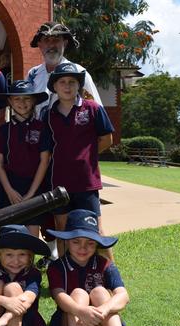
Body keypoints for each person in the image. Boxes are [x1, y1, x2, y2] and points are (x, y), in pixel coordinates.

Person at [40, 63, 114, 259]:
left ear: (79, 85)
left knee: (94, 230)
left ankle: (111, 275)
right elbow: (46, 152)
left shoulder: (93, 109)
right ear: (54, 86)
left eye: (72, 82)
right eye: (62, 82)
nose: (67, 86)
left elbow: (107, 139)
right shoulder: (48, 115)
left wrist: (86, 156)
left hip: (86, 182)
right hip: (59, 184)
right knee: (63, 230)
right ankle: (66, 273)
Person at [46, 209, 133, 326]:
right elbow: (58, 295)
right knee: (79, 293)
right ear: (67, 240)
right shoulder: (57, 267)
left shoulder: (105, 264)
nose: (83, 248)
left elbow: (123, 295)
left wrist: (103, 310)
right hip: (71, 324)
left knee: (100, 292)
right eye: (76, 242)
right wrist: (80, 311)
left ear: (97, 244)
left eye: (90, 243)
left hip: (100, 324)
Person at [0, 80, 50, 237]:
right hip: (10, 187)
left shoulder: (41, 127)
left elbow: (44, 161)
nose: (22, 102)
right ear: (10, 101)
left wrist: (32, 193)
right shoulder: (4, 130)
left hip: (35, 186)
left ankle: (30, 262)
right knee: (8, 234)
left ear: (33, 100)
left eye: (26, 98)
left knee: (32, 234)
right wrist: (9, 190)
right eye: (17, 99)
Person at [27, 21, 102, 114]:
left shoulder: (79, 73)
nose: (51, 45)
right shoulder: (33, 74)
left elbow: (96, 112)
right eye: (46, 40)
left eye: (56, 40)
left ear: (65, 44)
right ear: (40, 45)